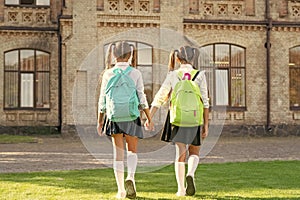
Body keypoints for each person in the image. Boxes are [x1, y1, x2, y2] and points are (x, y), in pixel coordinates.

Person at [145, 46, 209, 196]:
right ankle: (191, 174)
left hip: (177, 118)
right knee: (194, 152)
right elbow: (205, 102)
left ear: (178, 59)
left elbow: (160, 98)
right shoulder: (199, 75)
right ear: (193, 58)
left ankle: (180, 190)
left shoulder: (173, 75)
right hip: (195, 118)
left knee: (180, 153)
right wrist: (206, 124)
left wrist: (149, 117)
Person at [97, 41, 153, 199]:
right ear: (131, 55)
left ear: (113, 55)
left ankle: (121, 190)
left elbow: (102, 100)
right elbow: (141, 97)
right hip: (132, 115)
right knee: (132, 151)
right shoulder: (135, 73)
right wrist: (148, 118)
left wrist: (100, 120)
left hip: (114, 116)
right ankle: (131, 178)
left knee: (118, 154)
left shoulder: (107, 74)